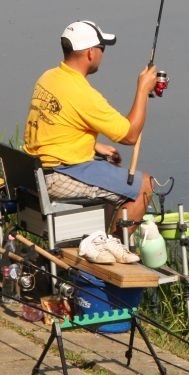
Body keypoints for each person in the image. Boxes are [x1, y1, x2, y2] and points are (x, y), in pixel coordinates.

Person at [24, 19, 158, 236]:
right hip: (57, 176)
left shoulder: (48, 78)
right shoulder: (83, 94)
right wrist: (142, 90)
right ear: (90, 53)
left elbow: (53, 127)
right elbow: (130, 135)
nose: (102, 54)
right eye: (101, 48)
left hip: (34, 170)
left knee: (114, 177)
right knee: (144, 185)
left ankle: (100, 237)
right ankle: (111, 247)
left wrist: (94, 146)